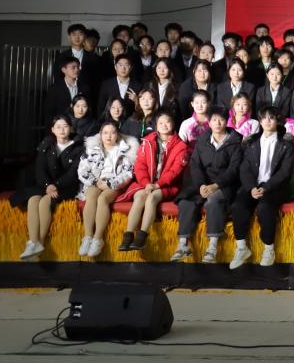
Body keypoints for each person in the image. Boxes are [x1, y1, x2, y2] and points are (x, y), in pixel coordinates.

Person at [171, 109, 243, 263]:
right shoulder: (202, 141)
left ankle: (212, 246)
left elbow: (234, 169)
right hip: (203, 183)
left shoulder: (235, 142)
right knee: (186, 201)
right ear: (209, 122)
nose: (217, 123)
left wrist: (215, 186)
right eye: (214, 120)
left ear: (227, 121)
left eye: (221, 120)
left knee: (213, 201)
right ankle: (183, 244)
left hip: (225, 185)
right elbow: (195, 165)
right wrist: (202, 185)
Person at [229, 107, 294, 269]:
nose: (267, 121)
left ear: (277, 121)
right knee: (238, 205)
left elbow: (285, 172)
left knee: (265, 208)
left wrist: (266, 187)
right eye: (264, 118)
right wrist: (251, 187)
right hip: (253, 185)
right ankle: (241, 248)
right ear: (259, 121)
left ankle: (268, 249)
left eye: (271, 118)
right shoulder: (251, 142)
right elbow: (244, 168)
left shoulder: (286, 144)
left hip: (274, 187)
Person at [14, 115, 84, 261]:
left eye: (65, 126)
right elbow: (39, 170)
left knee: (45, 202)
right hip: (46, 185)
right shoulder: (46, 144)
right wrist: (47, 185)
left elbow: (73, 173)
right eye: (58, 127)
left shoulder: (78, 147)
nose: (62, 130)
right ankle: (32, 243)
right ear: (53, 129)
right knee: (33, 200)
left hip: (66, 187)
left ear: (71, 128)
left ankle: (40, 241)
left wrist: (55, 186)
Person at [117, 110, 189, 253]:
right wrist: (146, 183)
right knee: (139, 197)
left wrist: (157, 185)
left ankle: (142, 236)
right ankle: (128, 236)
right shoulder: (148, 141)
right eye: (160, 123)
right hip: (147, 183)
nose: (164, 125)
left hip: (167, 185)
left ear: (173, 123)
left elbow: (175, 171)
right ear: (156, 126)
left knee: (152, 197)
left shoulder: (181, 146)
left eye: (167, 122)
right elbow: (140, 165)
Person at [75, 120, 138, 259]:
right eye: (105, 133)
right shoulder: (92, 149)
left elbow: (128, 174)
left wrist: (110, 183)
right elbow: (82, 170)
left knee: (103, 199)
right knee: (91, 195)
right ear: (100, 134)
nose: (109, 136)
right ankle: (88, 237)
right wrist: (95, 182)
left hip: (114, 184)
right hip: (95, 182)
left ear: (118, 135)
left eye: (112, 132)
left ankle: (98, 238)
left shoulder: (124, 150)